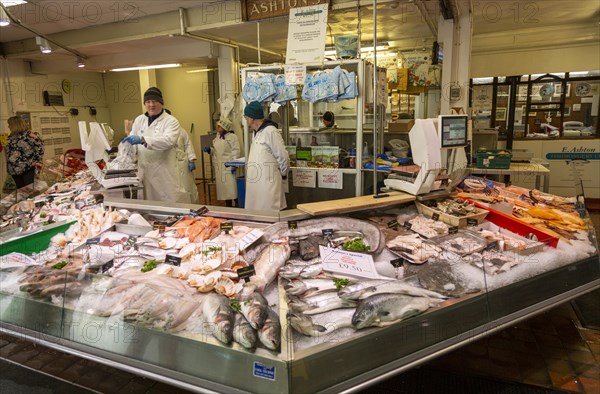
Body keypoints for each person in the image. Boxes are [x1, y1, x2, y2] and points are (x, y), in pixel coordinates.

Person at [122, 87, 188, 203]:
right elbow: (132, 139)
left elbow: (168, 141)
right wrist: (127, 146)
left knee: (169, 205)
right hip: (145, 171)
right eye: (148, 102)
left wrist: (143, 139)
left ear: (161, 103)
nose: (151, 105)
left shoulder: (171, 121)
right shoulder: (139, 120)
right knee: (150, 205)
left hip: (164, 172)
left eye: (154, 101)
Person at [243, 101, 289, 211]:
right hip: (256, 186)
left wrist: (283, 173)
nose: (244, 118)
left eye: (246, 116)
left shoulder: (270, 131)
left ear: (253, 118)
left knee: (269, 212)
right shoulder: (256, 132)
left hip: (268, 185)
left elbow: (283, 156)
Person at [204, 118, 240, 207]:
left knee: (233, 189)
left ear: (225, 127)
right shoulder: (217, 137)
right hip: (220, 168)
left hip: (229, 166)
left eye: (219, 126)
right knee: (225, 191)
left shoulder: (232, 137)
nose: (217, 128)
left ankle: (238, 205)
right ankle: (228, 207)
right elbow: (216, 153)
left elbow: (236, 151)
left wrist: (234, 164)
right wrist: (210, 150)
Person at [5, 116, 44, 189]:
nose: (8, 126)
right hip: (14, 170)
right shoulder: (11, 137)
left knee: (30, 191)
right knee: (21, 192)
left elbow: (40, 149)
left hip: (27, 168)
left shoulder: (29, 135)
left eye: (10, 124)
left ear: (15, 125)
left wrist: (35, 161)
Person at [176, 127, 199, 204]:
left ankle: (191, 207)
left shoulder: (181, 131)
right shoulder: (161, 132)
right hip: (169, 165)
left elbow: (188, 145)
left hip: (183, 163)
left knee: (187, 186)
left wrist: (191, 160)